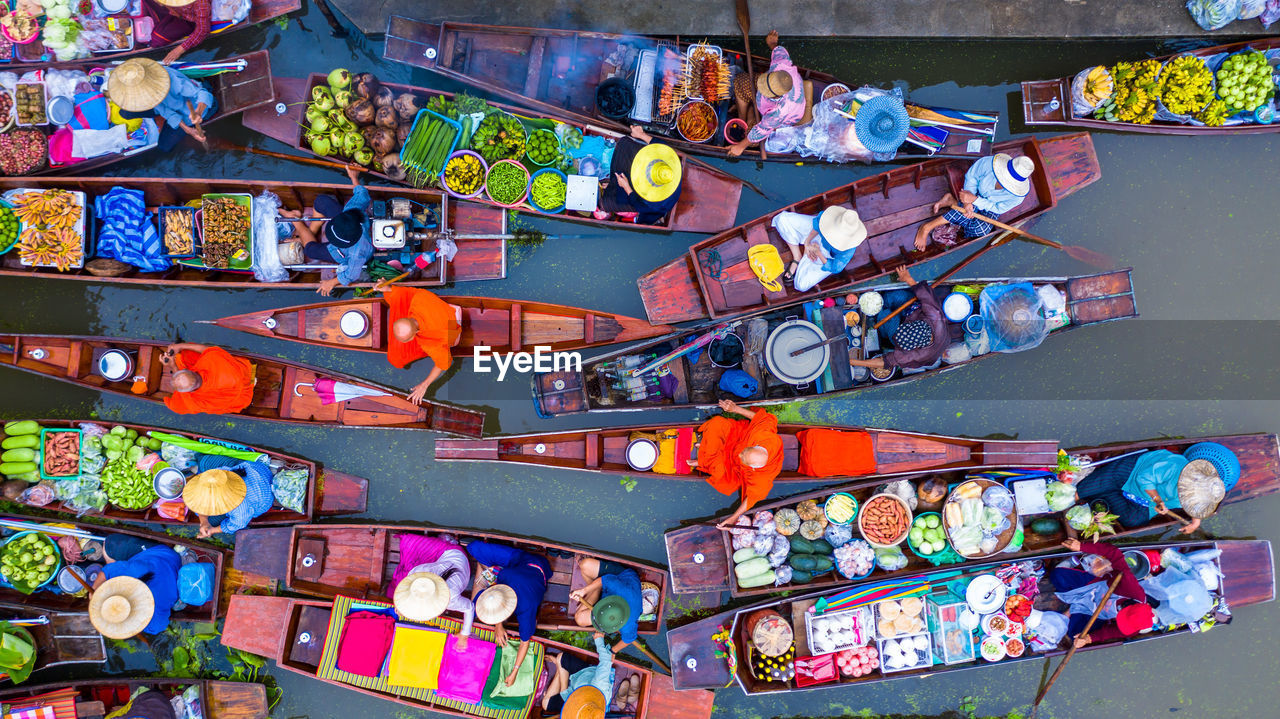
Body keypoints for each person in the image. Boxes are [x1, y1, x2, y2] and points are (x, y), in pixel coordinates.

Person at [1073, 443, 1237, 534]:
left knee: (1134, 520)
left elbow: (1197, 508)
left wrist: (1195, 523)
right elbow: (1144, 478)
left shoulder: (1201, 495)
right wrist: (1157, 499)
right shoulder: (1174, 466)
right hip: (1133, 474)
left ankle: (1106, 492)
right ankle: (1102, 489)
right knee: (1082, 490)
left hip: (1144, 500)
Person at [467, 540, 551, 686]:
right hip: (519, 562)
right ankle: (482, 576)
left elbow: (525, 642)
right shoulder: (505, 576)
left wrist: (515, 671)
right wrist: (498, 625)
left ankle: (481, 577)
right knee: (473, 548)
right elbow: (495, 584)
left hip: (537, 566)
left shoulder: (526, 610)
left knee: (475, 607)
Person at [688, 400, 783, 529]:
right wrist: (735, 409)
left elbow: (752, 498)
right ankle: (705, 452)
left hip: (733, 467)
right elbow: (761, 418)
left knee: (721, 473)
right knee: (718, 423)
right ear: (756, 446)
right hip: (737, 438)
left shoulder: (762, 477)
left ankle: (704, 455)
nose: (740, 455)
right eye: (744, 453)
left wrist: (733, 517)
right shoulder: (763, 436)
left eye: (743, 458)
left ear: (753, 468)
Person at [912, 153, 1036, 250]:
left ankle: (953, 202)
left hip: (989, 206)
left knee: (981, 230)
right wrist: (968, 202)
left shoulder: (1017, 196)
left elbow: (998, 208)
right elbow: (972, 177)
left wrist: (975, 201)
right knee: (965, 213)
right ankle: (926, 227)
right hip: (974, 191)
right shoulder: (989, 163)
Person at [286, 166, 374, 296]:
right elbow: (362, 194)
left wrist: (331, 282)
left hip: (341, 253)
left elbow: (351, 274)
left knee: (309, 250)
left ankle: (298, 223)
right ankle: (310, 231)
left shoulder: (357, 253)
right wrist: (354, 177)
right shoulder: (353, 208)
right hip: (347, 220)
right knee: (320, 201)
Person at [1051, 538, 1154, 648]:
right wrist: (1081, 546)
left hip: (1095, 612)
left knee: (1075, 636)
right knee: (1057, 576)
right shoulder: (1130, 588)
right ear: (1127, 606)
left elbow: (1108, 633)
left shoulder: (1132, 628)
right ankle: (1072, 605)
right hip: (1095, 587)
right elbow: (1114, 553)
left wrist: (1088, 639)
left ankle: (1073, 608)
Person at [849, 267, 948, 372]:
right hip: (913, 309)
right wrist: (908, 278)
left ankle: (882, 323)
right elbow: (925, 295)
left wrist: (852, 362)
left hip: (904, 327)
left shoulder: (915, 355)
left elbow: (886, 362)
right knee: (891, 297)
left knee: (884, 315)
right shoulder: (935, 317)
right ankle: (885, 303)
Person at [728, 31, 811, 158]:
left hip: (786, 118)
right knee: (740, 81)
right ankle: (743, 117)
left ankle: (749, 113)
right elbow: (779, 52)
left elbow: (761, 130)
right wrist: (773, 44)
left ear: (775, 96)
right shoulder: (781, 65)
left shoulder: (779, 112)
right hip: (769, 93)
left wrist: (740, 147)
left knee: (752, 139)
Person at [377, 282, 463, 403]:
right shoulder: (418, 299)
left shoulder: (430, 341)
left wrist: (424, 384)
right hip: (445, 311)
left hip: (453, 327)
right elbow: (404, 293)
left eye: (408, 339)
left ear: (416, 332)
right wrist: (389, 288)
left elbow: (443, 363)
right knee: (400, 298)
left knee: (397, 358)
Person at [108, 58, 215, 152]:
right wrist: (187, 129)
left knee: (164, 147)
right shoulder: (144, 96)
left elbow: (203, 93)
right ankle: (168, 123)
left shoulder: (171, 80)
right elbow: (165, 111)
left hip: (189, 110)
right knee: (125, 112)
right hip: (168, 109)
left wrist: (198, 112)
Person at [387, 534, 475, 648]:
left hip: (454, 554)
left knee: (403, 573)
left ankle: (448, 542)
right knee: (408, 560)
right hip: (446, 560)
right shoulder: (419, 571)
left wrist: (465, 633)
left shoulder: (450, 598)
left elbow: (469, 607)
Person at [92, 535, 181, 637]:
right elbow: (106, 572)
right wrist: (94, 592)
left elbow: (106, 572)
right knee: (109, 546)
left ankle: (116, 566)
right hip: (171, 560)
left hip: (162, 555)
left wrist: (94, 590)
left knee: (109, 546)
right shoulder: (132, 574)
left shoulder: (154, 622)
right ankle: (117, 566)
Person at [599, 126, 683, 225]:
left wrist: (626, 186)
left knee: (605, 203)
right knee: (624, 143)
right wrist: (641, 134)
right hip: (655, 177)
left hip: (640, 200)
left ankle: (614, 184)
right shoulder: (670, 167)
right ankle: (615, 181)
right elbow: (660, 145)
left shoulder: (654, 203)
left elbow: (638, 204)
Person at [771, 206, 867, 292]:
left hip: (825, 254)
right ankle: (797, 257)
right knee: (782, 219)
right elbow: (817, 225)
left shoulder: (849, 247)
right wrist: (807, 243)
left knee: (801, 285)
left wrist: (818, 253)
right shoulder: (832, 217)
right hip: (815, 236)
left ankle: (805, 256)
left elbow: (835, 267)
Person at [540, 633, 632, 717]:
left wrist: (559, 668)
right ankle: (560, 668)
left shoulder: (578, 714)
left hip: (576, 691)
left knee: (546, 704)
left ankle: (560, 669)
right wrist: (599, 639)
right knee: (561, 658)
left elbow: (566, 695)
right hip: (585, 673)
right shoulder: (600, 685)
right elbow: (606, 660)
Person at [160, 342, 255, 416]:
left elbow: (184, 399)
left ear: (191, 391)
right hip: (245, 371)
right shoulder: (212, 360)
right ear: (193, 370)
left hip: (243, 395)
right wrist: (181, 346)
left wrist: (172, 365)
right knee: (188, 353)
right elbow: (207, 350)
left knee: (177, 406)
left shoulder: (197, 402)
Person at [182, 463, 274, 538]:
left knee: (213, 521)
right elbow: (200, 505)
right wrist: (204, 522)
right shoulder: (217, 476)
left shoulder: (239, 510)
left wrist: (211, 531)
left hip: (264, 496)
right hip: (254, 467)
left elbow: (236, 524)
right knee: (204, 463)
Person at [568, 558, 640, 652]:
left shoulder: (628, 625)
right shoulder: (619, 588)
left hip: (618, 587)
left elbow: (629, 639)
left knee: (580, 620)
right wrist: (583, 591)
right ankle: (596, 590)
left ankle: (595, 593)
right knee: (585, 565)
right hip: (619, 576)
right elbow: (603, 580)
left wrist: (613, 651)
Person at [143, 0, 212, 65]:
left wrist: (179, 50)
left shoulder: (201, 3)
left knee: (157, 40)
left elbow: (203, 30)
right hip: (173, 11)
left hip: (187, 20)